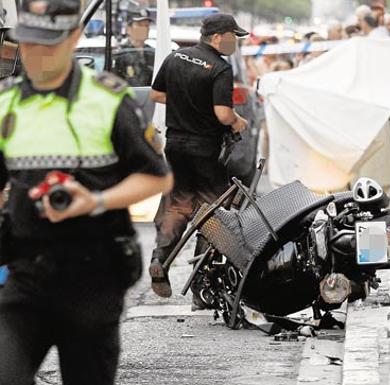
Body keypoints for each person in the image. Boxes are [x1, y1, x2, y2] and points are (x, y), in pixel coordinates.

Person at [0, 0, 173, 382]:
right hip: (26, 276)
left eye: (49, 44)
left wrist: (96, 200)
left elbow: (157, 178)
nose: (36, 55)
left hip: (93, 279)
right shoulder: (6, 104)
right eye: (28, 43)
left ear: (75, 37)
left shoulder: (108, 100)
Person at [149, 13, 248, 299]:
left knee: (177, 205)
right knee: (212, 211)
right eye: (233, 36)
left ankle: (159, 259)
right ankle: (202, 282)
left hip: (176, 145)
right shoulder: (220, 67)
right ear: (218, 37)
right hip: (204, 148)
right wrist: (237, 121)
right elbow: (222, 114)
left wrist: (184, 100)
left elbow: (157, 95)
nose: (235, 42)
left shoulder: (176, 57)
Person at [112, 8, 155, 87]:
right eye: (140, 25)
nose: (144, 29)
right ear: (129, 29)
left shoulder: (152, 52)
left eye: (147, 25)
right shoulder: (120, 54)